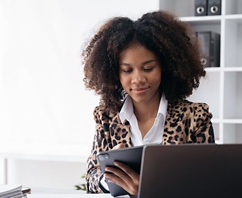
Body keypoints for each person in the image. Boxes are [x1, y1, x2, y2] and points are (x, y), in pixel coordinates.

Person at [82, 10, 215, 195]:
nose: (138, 79)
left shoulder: (194, 117)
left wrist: (148, 189)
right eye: (127, 70)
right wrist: (112, 178)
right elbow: (91, 178)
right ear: (115, 73)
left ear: (165, 67)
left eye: (148, 68)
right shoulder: (107, 117)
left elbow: (208, 181)